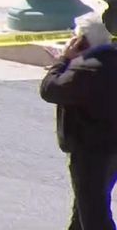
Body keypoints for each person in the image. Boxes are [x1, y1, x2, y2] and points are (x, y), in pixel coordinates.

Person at [40, 13, 117, 230]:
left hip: (92, 150)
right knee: (83, 209)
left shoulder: (85, 68)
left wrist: (62, 61)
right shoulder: (108, 60)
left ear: (82, 40)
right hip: (110, 148)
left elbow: (50, 90)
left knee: (94, 213)